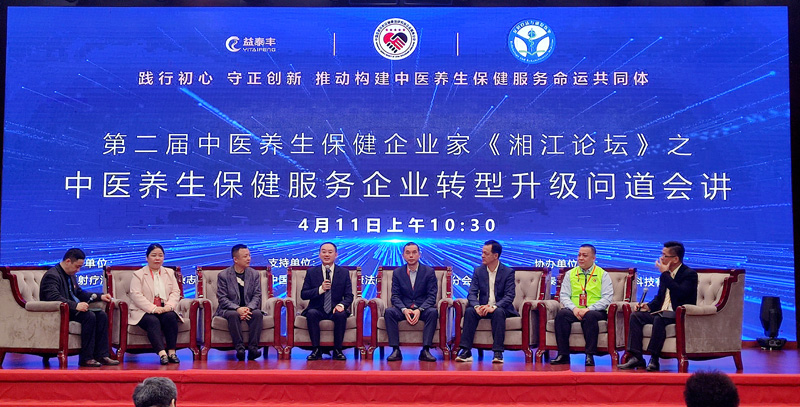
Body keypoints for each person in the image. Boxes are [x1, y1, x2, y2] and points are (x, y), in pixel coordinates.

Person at [619, 241, 698, 371]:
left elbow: (680, 293)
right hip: (663, 313)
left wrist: (665, 274)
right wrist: (648, 307)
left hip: (680, 315)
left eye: (664, 256)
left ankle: (654, 359)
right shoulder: (665, 276)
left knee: (659, 318)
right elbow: (660, 298)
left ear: (675, 259)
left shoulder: (689, 274)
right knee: (636, 316)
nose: (661, 258)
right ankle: (636, 357)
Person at [39, 248, 120, 367]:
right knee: (89, 316)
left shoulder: (70, 275)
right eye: (77, 267)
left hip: (70, 310)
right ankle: (86, 358)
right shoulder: (52, 276)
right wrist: (76, 305)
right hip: (59, 313)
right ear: (68, 261)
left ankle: (102, 355)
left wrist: (100, 296)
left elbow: (79, 293)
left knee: (101, 315)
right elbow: (53, 297)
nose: (78, 270)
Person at [551, 244, 613, 367]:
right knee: (562, 315)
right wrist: (574, 309)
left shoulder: (603, 274)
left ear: (593, 258)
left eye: (584, 255)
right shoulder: (570, 274)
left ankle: (589, 355)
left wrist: (588, 309)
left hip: (595, 311)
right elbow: (564, 295)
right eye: (579, 255)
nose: (580, 258)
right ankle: (563, 354)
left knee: (590, 316)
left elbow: (607, 298)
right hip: (574, 309)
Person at [455, 240, 517, 364]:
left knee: (498, 312)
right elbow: (472, 293)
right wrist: (477, 306)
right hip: (482, 307)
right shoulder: (479, 271)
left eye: (486, 253)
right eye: (482, 253)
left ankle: (498, 352)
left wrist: (494, 306)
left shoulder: (508, 272)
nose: (482, 256)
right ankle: (466, 351)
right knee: (470, 312)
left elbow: (509, 296)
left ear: (496, 255)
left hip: (501, 308)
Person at [128, 244, 183, 365]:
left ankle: (172, 352)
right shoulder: (138, 274)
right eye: (153, 255)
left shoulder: (169, 272)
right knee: (152, 321)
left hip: (164, 309)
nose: (157, 258)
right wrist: (153, 308)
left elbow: (175, 292)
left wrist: (169, 306)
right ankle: (162, 354)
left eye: (160, 255)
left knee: (170, 317)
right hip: (143, 311)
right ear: (147, 258)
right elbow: (136, 295)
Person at [385, 242, 439, 362]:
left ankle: (425, 350)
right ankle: (395, 350)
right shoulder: (398, 273)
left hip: (422, 309)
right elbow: (395, 296)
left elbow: (431, 296)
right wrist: (404, 310)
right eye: (408, 253)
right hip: (404, 309)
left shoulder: (429, 272)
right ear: (403, 255)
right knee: (389, 312)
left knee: (433, 312)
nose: (411, 256)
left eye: (414, 252)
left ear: (419, 255)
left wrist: (420, 310)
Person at [301, 242, 353, 361]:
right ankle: (316, 350)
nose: (326, 255)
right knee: (311, 313)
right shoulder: (311, 272)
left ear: (336, 255)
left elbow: (349, 296)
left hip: (335, 308)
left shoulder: (343, 273)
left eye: (330, 252)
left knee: (341, 314)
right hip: (317, 309)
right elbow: (304, 294)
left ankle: (337, 350)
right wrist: (320, 289)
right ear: (319, 254)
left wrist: (341, 305)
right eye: (323, 252)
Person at [215, 244, 264, 361]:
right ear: (235, 259)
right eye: (245, 256)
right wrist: (238, 309)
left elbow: (257, 295)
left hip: (249, 308)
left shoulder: (254, 274)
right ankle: (240, 349)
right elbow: (222, 298)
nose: (249, 259)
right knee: (233, 315)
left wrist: (248, 308)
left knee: (257, 314)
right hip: (229, 309)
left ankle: (253, 349)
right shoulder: (223, 275)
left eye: (249, 255)